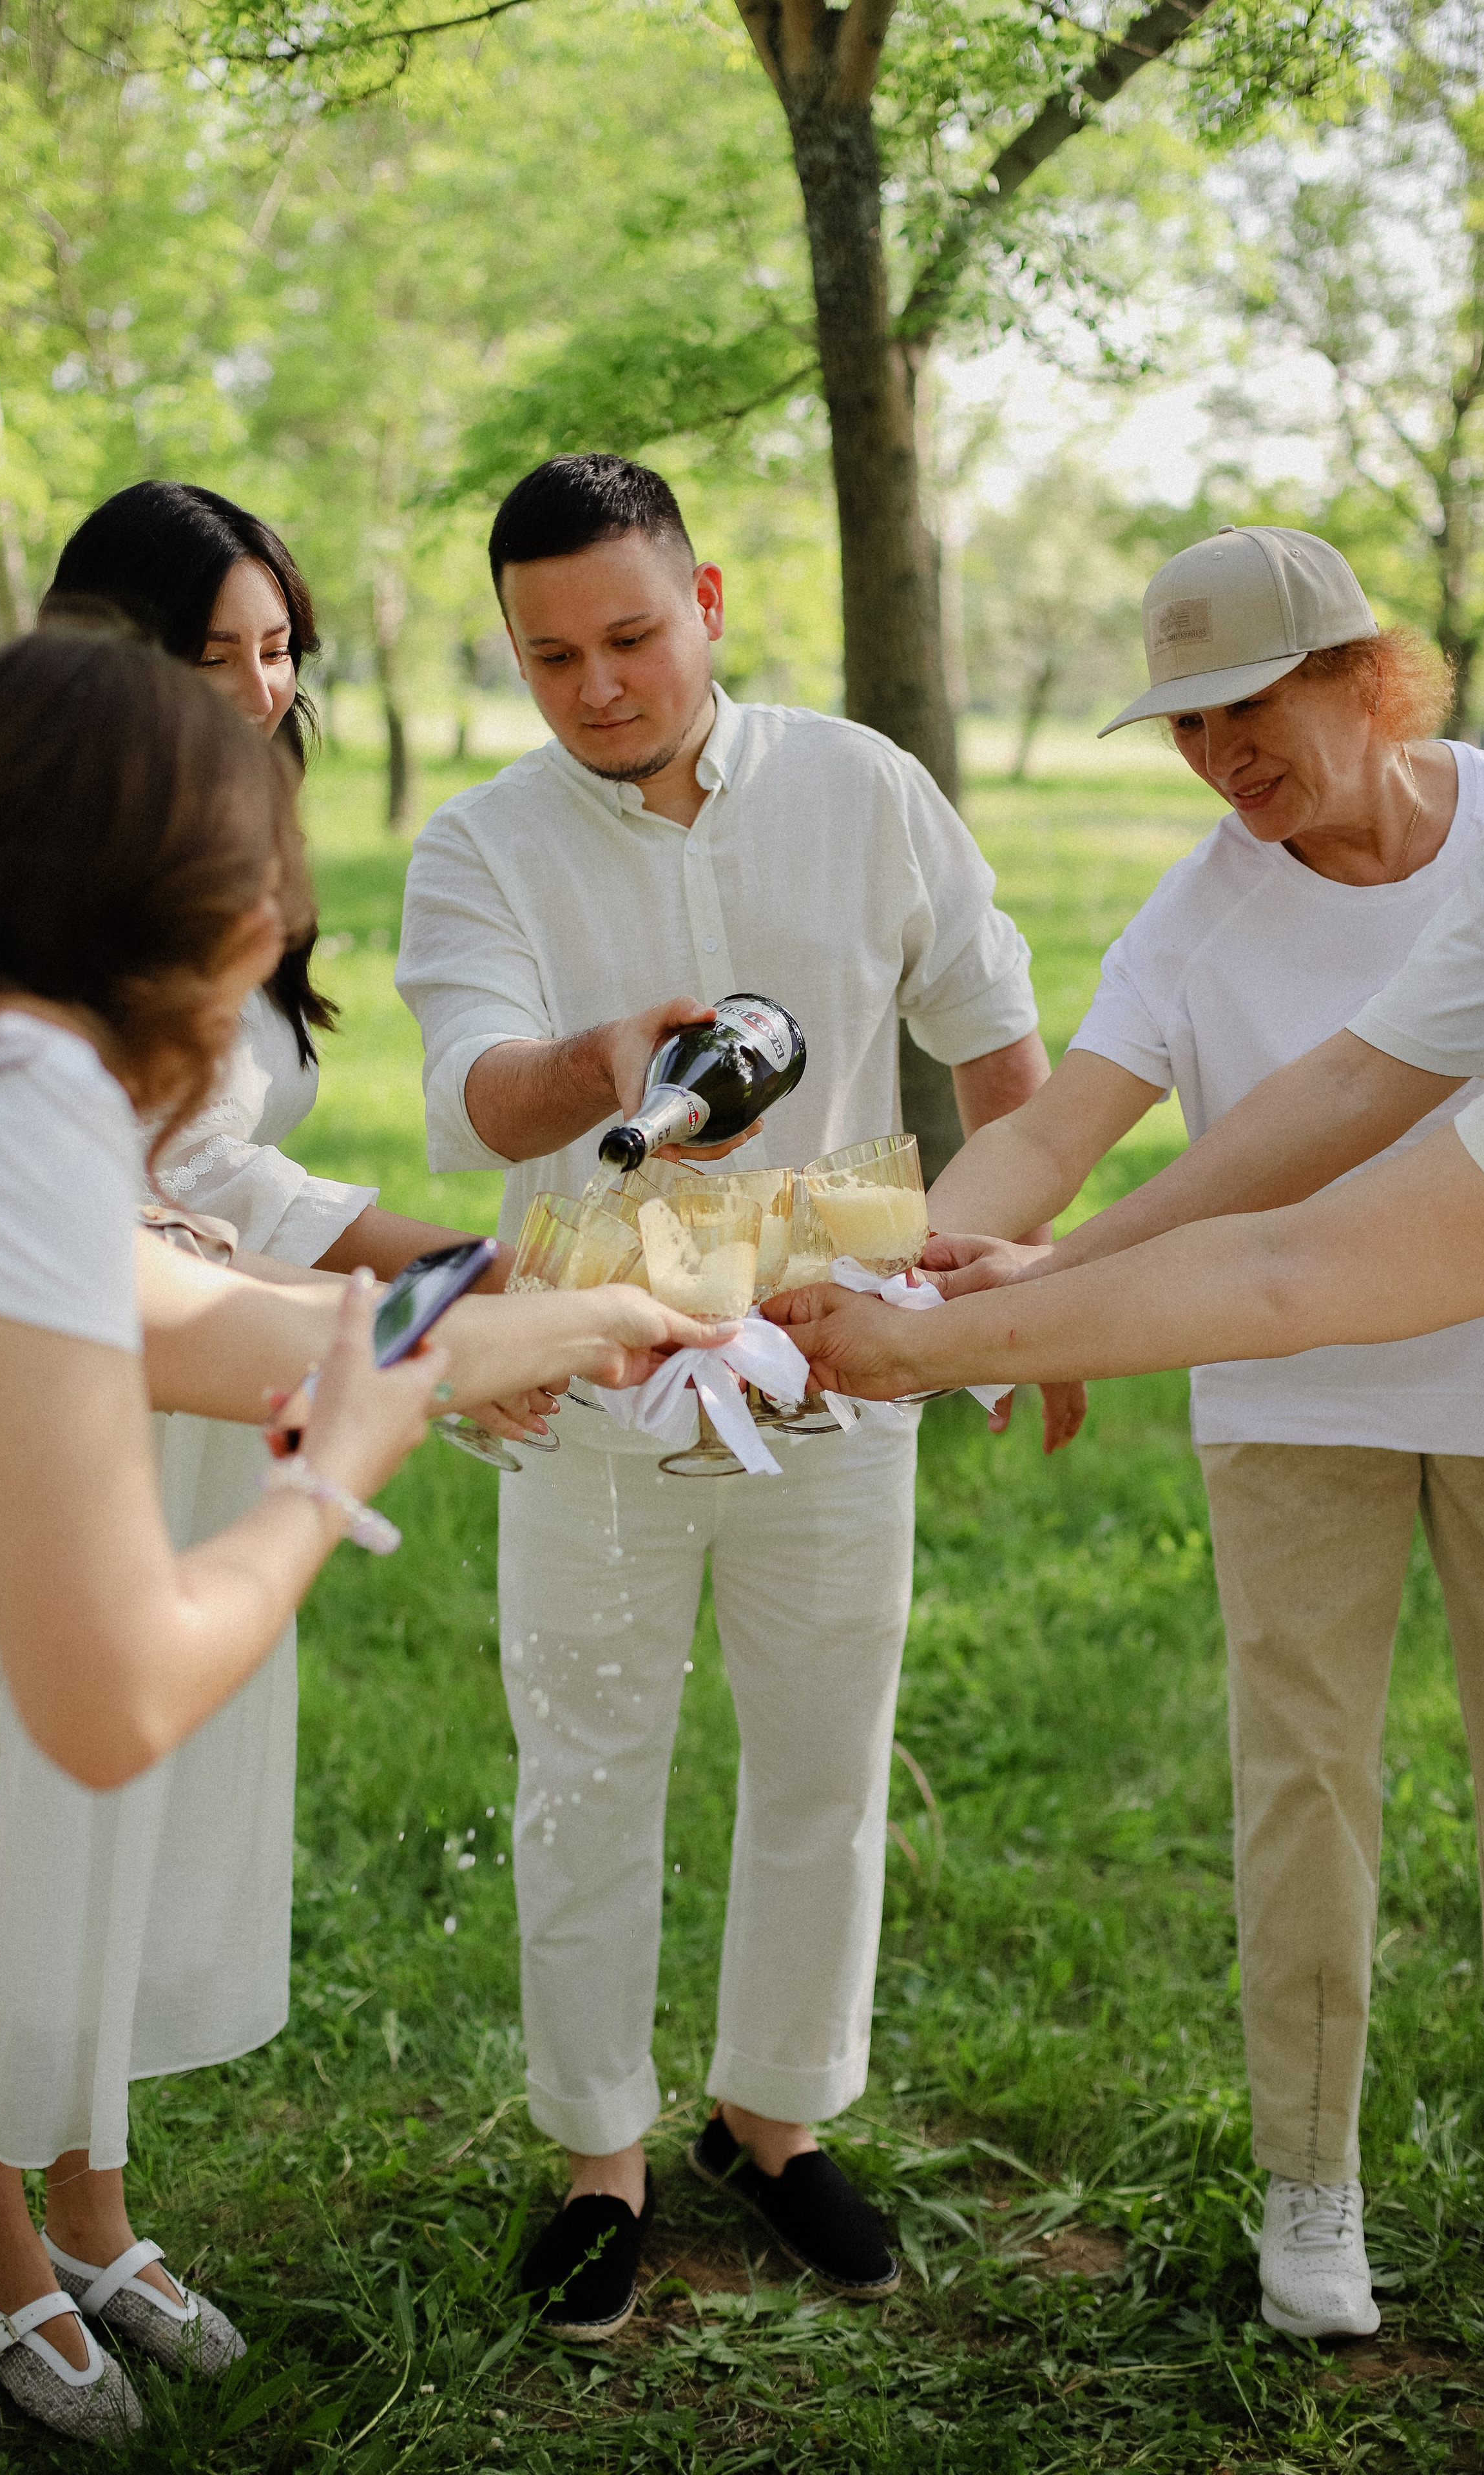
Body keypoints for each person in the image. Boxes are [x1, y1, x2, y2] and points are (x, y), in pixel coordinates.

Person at [0, 630, 708, 2442]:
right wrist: (333, 1478)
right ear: (199, 916)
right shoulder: (1, 1102)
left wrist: (576, 1320)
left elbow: (214, 1330)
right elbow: (113, 1697)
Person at [767, 524, 1484, 2341]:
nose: (1221, 756)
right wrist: (946, 1272)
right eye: (1185, 726)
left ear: (1369, 676)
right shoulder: (1201, 910)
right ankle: (1310, 2183)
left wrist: (1047, 1288)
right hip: (1280, 1379)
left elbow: (1340, 1141)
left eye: (1252, 706)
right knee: (1305, 1784)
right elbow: (1058, 1137)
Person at [396, 451, 1074, 2339]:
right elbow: (475, 1093)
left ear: (704, 606)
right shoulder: (482, 842)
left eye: (628, 635)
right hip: (596, 1372)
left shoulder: (868, 788)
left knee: (824, 1750)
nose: (597, 684)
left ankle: (771, 2125)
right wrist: (608, 1056)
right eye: (550, 656)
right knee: (589, 1763)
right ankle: (601, 2160)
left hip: (837, 1362)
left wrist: (1039, 1294)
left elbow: (1002, 1048)